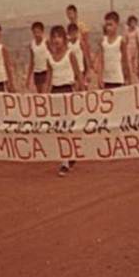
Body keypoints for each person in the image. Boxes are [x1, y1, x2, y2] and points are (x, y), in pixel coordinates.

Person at [44, 25, 85, 177]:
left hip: (68, 91)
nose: (56, 40)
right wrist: (44, 96)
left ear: (64, 39)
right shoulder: (49, 58)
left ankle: (68, 158)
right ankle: (65, 158)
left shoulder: (70, 54)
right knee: (59, 128)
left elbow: (78, 74)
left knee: (68, 127)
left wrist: (82, 92)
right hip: (55, 93)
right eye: (53, 37)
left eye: (59, 37)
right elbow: (48, 79)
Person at [97, 11, 130, 89]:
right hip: (106, 79)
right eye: (107, 25)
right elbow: (101, 61)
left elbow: (125, 61)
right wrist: (99, 77)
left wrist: (128, 78)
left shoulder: (121, 41)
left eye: (110, 25)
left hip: (118, 78)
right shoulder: (103, 41)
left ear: (116, 25)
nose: (108, 28)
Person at [27, 22, 50, 93]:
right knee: (39, 93)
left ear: (42, 32)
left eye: (38, 32)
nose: (37, 34)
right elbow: (32, 61)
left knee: (45, 92)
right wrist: (28, 77)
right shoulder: (32, 44)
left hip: (45, 71)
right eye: (35, 32)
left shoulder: (46, 42)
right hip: (37, 73)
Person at [68, 23, 91, 88]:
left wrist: (88, 71)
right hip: (71, 70)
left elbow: (86, 56)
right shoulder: (68, 44)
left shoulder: (80, 42)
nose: (73, 34)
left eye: (74, 32)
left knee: (82, 87)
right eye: (71, 32)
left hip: (81, 69)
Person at [125, 16, 139, 84]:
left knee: (135, 65)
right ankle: (130, 80)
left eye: (134, 22)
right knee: (129, 65)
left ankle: (136, 80)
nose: (133, 24)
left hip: (135, 48)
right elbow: (126, 40)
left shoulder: (137, 30)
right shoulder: (127, 30)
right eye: (131, 22)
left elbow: (138, 41)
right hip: (129, 48)